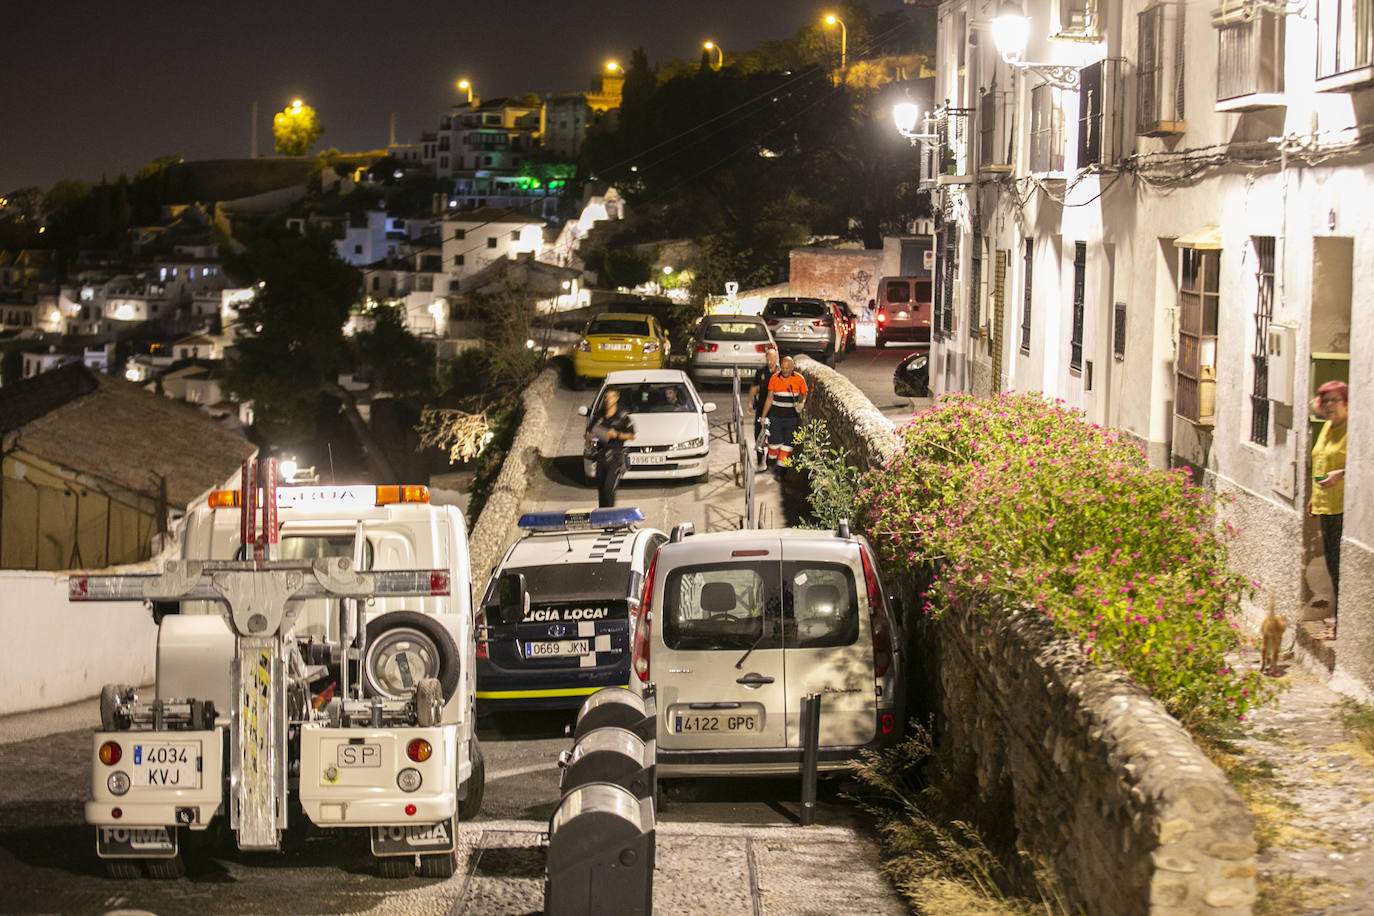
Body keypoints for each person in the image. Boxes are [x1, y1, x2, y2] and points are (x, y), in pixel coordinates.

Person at [1309, 380, 1348, 637]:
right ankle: (1339, 620)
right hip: (1327, 506)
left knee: (1340, 567)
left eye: (1336, 399)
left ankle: (1341, 625)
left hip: (1344, 508)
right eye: (1326, 400)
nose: (1330, 405)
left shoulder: (1352, 429)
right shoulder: (1327, 427)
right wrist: (1314, 497)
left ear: (1347, 402)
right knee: (1333, 566)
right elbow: (1321, 461)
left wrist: (1342, 473)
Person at [587, 388, 635, 507]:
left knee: (609, 487)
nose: (608, 400)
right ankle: (602, 514)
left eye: (611, 397)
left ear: (616, 398)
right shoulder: (599, 415)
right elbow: (589, 432)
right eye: (606, 398)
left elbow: (631, 435)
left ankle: (610, 514)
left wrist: (617, 435)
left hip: (615, 455)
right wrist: (592, 436)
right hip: (601, 455)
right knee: (601, 488)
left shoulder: (622, 416)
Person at [760, 355, 808, 470]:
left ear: (793, 367)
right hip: (775, 416)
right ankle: (771, 462)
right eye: (783, 368)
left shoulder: (799, 379)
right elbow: (769, 398)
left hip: (791, 418)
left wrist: (802, 403)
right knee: (774, 442)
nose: (785, 371)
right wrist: (763, 417)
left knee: (788, 444)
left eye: (787, 368)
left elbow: (804, 393)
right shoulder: (774, 378)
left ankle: (781, 470)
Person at [748, 345, 780, 444]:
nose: (770, 361)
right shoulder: (761, 371)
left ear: (776, 358)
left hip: (775, 406)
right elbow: (754, 386)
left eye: (772, 359)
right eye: (768, 359)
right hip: (761, 403)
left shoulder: (780, 372)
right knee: (759, 429)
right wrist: (749, 402)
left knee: (773, 431)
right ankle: (759, 449)